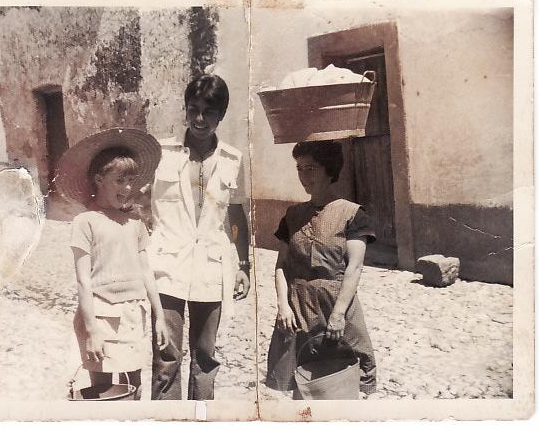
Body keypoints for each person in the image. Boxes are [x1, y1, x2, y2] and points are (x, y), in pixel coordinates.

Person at [149, 74, 251, 400]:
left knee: (205, 357)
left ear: (221, 114)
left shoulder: (233, 160)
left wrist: (244, 265)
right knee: (166, 356)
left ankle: (201, 417)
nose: (199, 119)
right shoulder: (161, 153)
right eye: (193, 109)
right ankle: (167, 419)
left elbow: (236, 215)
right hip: (167, 266)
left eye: (209, 112)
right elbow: (138, 203)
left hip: (211, 265)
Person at [56, 128, 169, 400]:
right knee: (103, 392)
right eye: (120, 180)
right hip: (99, 316)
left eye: (131, 181)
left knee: (134, 389)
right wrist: (92, 329)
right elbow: (83, 281)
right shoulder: (85, 222)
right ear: (99, 179)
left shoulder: (135, 223)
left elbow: (146, 272)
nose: (128, 188)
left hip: (133, 315)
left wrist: (160, 316)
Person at [266, 140, 377, 397]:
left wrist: (338, 315)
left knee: (344, 380)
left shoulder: (352, 214)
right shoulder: (293, 215)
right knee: (297, 380)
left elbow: (354, 268)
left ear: (329, 169)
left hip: (336, 304)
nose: (304, 176)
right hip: (298, 307)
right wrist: (283, 305)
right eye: (299, 168)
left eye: (311, 168)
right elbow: (281, 266)